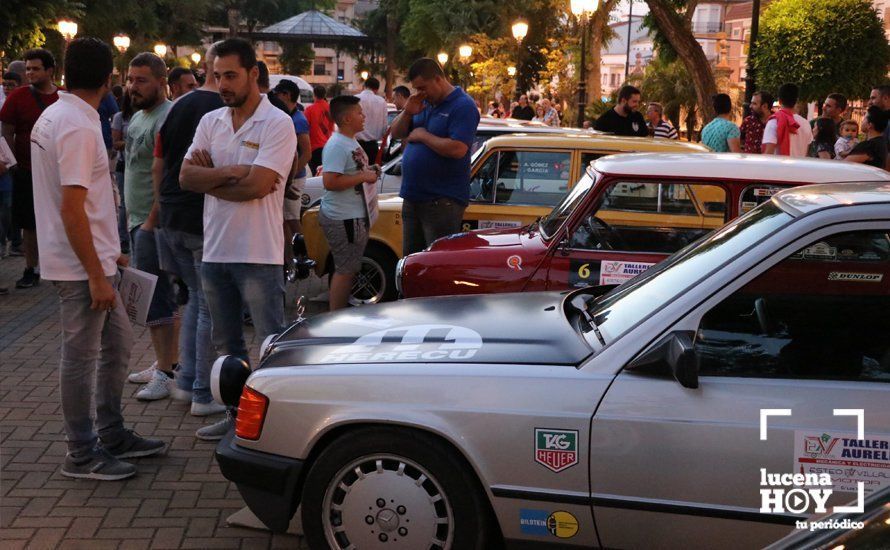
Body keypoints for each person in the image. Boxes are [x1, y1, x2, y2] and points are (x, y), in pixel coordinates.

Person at [31, 37, 167, 481]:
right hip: (79, 267)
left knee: (118, 345)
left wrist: (110, 256)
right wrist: (95, 273)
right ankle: (81, 451)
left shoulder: (60, 115)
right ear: (109, 79)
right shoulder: (76, 124)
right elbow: (72, 206)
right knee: (82, 355)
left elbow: (80, 204)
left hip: (91, 260)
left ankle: (110, 432)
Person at [179, 37, 297, 436]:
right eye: (217, 76)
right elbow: (184, 177)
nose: (223, 83)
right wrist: (233, 173)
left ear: (253, 74)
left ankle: (273, 426)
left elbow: (259, 186)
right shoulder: (210, 121)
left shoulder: (278, 123)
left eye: (230, 75)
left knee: (269, 346)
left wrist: (212, 177)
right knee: (228, 347)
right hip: (214, 252)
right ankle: (235, 418)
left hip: (259, 253)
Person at [152, 42, 229, 435]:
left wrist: (156, 213)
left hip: (170, 215)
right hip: (198, 217)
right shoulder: (220, 113)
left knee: (193, 301)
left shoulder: (178, 104)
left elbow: (159, 163)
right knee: (206, 306)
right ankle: (202, 391)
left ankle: (185, 384)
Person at [124, 52, 178, 401]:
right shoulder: (139, 116)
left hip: (151, 222)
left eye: (141, 80)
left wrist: (151, 222)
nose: (132, 87)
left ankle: (167, 372)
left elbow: (168, 176)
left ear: (162, 81)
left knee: (156, 298)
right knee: (155, 298)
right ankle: (164, 361)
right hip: (135, 218)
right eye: (130, 80)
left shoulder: (168, 117)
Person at [389, 57, 480, 255]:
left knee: (436, 262)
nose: (420, 93)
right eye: (416, 88)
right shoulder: (423, 103)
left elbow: (458, 149)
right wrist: (407, 112)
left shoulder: (463, 106)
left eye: (423, 87)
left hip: (441, 201)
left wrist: (423, 135)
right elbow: (396, 133)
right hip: (413, 196)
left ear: (438, 79)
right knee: (412, 261)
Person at [0, 49, 61, 289]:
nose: (30, 73)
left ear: (49, 71)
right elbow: (6, 130)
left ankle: (58, 265)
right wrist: (13, 161)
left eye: (35, 69)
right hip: (26, 170)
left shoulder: (62, 97)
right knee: (29, 222)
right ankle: (31, 267)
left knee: (58, 218)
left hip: (56, 170)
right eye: (28, 69)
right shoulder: (18, 97)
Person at [319, 95, 378, 311]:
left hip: (353, 215)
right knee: (344, 270)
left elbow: (351, 172)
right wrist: (363, 177)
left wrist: (368, 172)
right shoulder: (336, 145)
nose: (364, 116)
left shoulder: (350, 141)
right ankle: (336, 318)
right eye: (359, 112)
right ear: (346, 119)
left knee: (349, 268)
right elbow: (330, 181)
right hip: (342, 217)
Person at [272, 78, 312, 235]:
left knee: (292, 218)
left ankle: (303, 253)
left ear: (286, 95)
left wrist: (289, 178)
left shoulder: (298, 120)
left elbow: (306, 153)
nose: (274, 98)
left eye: (276, 95)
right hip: (288, 176)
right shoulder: (289, 116)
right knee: (285, 219)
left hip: (294, 178)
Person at [762, 83, 813, 157]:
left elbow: (768, 154)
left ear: (779, 100)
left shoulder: (774, 121)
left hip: (780, 168)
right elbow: (806, 152)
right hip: (800, 168)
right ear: (796, 101)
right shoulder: (806, 124)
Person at [111, 91, 133, 253]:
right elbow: (116, 143)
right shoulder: (120, 117)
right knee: (124, 203)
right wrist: (133, 142)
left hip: (139, 166)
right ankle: (123, 238)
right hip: (124, 164)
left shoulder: (146, 114)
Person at [355, 77, 388, 162]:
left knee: (357, 173)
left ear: (364, 86)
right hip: (373, 146)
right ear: (377, 89)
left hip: (356, 145)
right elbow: (385, 126)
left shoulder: (355, 99)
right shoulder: (382, 101)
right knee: (372, 172)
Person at [305, 85, 333, 175]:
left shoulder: (310, 110)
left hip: (315, 146)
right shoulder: (331, 109)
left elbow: (305, 128)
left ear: (314, 94)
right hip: (329, 146)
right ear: (325, 94)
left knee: (316, 174)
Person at [867, 85, 890, 169]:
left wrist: (885, 177)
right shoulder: (882, 118)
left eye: (873, 98)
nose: (870, 102)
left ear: (885, 98)